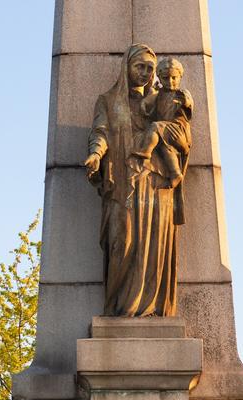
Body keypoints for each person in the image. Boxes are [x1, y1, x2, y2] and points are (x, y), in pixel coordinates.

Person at [83, 44, 188, 318]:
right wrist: (95, 154)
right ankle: (120, 309)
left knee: (153, 247)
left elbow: (183, 135)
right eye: (139, 66)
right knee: (123, 242)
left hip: (155, 182)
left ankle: (152, 308)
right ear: (126, 68)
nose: (144, 73)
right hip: (121, 183)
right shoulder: (108, 101)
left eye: (149, 68)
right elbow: (101, 132)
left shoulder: (162, 101)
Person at [132, 57, 193, 190]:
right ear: (159, 77)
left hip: (178, 129)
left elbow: (188, 104)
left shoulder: (180, 94)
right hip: (165, 132)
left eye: (174, 78)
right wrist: (144, 103)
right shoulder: (159, 95)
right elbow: (147, 103)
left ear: (180, 77)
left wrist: (185, 102)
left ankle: (146, 152)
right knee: (166, 149)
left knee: (155, 127)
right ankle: (175, 174)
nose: (170, 82)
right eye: (165, 78)